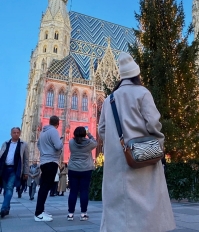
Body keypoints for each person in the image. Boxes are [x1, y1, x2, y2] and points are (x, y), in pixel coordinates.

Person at [98, 52, 176, 232]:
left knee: (118, 211)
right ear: (137, 74)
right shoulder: (142, 93)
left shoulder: (110, 99)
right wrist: (158, 146)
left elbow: (102, 129)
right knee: (146, 210)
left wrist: (115, 145)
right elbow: (154, 124)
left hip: (117, 163)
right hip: (142, 157)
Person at [34, 115, 63, 222]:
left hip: (44, 161)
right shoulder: (54, 131)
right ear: (58, 123)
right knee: (45, 187)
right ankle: (38, 213)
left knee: (44, 187)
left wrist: (44, 152)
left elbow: (38, 145)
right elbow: (58, 146)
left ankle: (41, 211)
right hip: (51, 161)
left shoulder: (43, 132)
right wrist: (61, 141)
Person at [67, 127, 97, 221]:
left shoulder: (71, 142)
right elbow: (95, 142)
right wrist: (89, 134)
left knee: (73, 192)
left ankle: (70, 214)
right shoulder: (89, 143)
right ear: (84, 134)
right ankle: (83, 214)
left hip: (73, 169)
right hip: (86, 169)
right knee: (84, 191)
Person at [0, 127, 29, 218]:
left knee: (9, 188)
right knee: (5, 190)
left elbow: (26, 159)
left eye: (17, 132)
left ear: (20, 133)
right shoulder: (5, 143)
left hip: (15, 169)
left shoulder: (24, 144)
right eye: (14, 132)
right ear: (11, 133)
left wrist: (26, 172)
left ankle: (3, 209)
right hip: (4, 169)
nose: (16, 134)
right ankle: (7, 208)